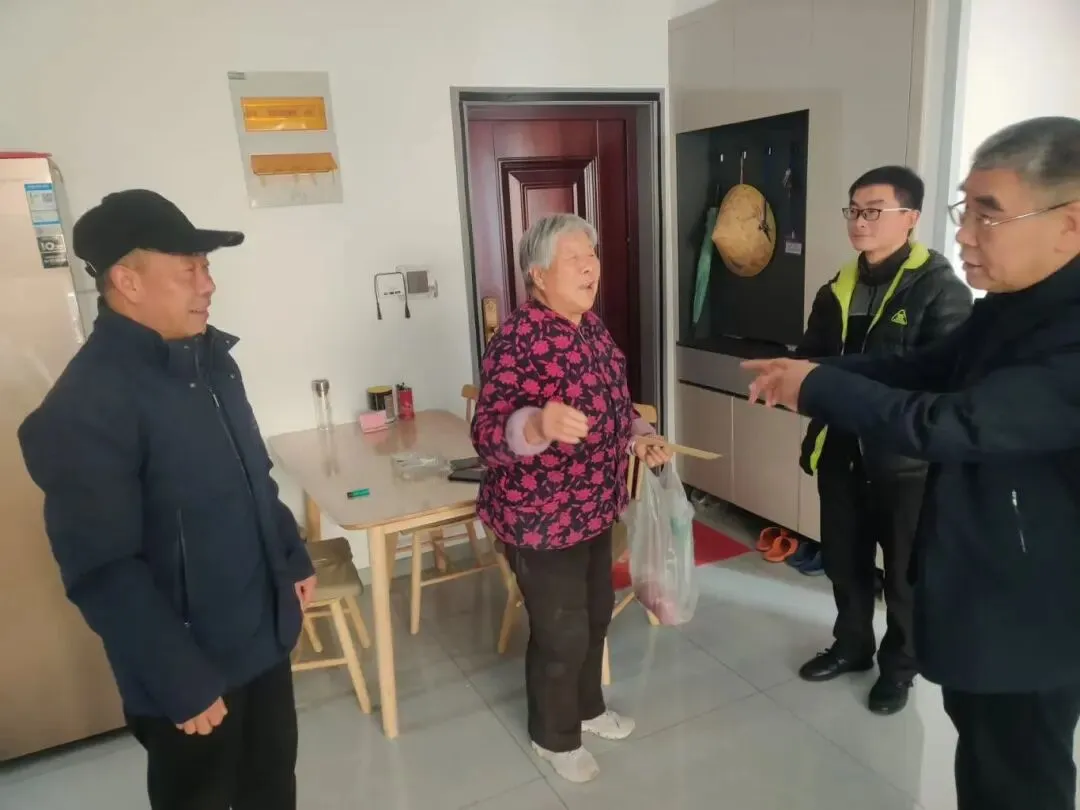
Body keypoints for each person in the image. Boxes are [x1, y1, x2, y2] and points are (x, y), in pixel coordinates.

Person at [742, 117, 1080, 810]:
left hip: (1033, 610)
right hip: (979, 574)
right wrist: (813, 373)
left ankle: (896, 667)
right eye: (965, 210)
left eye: (989, 214)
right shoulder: (1009, 306)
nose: (965, 235)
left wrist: (818, 387)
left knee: (1019, 773)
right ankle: (856, 646)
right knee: (982, 754)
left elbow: (952, 421)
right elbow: (922, 367)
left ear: (1069, 225)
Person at [18, 190, 316, 810]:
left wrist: (290, 556)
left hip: (262, 636)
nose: (208, 285)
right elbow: (102, 570)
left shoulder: (211, 362)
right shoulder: (86, 406)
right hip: (190, 669)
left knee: (272, 790)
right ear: (127, 281)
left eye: (206, 267)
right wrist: (179, 678)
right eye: (189, 269)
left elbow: (252, 476)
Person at [471, 213, 672, 784]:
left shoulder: (591, 328)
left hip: (593, 507)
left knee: (596, 615)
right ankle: (553, 736)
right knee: (561, 632)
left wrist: (640, 436)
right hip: (539, 517)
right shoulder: (517, 340)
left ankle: (588, 709)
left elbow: (616, 405)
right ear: (538, 275)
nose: (590, 268)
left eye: (592, 255)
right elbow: (487, 436)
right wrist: (536, 425)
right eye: (574, 258)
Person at [794, 166, 972, 715]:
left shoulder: (940, 289)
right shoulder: (836, 288)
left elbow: (945, 382)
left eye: (873, 210)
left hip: (906, 464)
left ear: (910, 217)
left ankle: (899, 669)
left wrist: (852, 386)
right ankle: (851, 647)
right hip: (840, 450)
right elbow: (811, 362)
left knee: (903, 577)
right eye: (853, 210)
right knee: (843, 562)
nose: (859, 221)